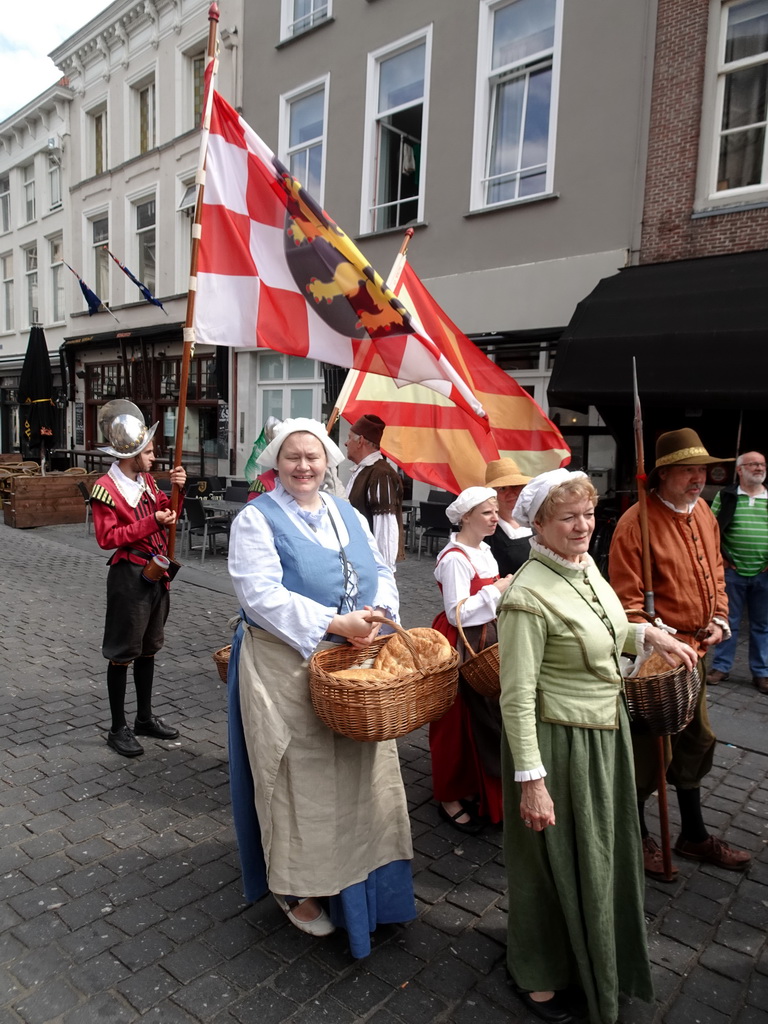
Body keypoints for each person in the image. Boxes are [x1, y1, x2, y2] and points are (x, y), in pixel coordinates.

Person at [498, 469, 697, 1024]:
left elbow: (606, 629)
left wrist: (649, 635)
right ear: (539, 524)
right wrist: (532, 782)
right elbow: (515, 699)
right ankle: (537, 970)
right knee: (550, 862)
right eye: (568, 517)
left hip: (606, 738)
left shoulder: (585, 567)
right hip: (557, 746)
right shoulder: (525, 597)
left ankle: (595, 952)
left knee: (600, 858)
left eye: (587, 514)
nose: (583, 525)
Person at [227, 417, 415, 957]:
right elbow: (259, 595)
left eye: (313, 457)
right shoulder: (255, 520)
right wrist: (335, 625)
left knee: (362, 774)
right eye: (293, 457)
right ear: (275, 464)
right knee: (298, 778)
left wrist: (380, 616)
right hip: (284, 668)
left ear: (328, 460)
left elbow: (381, 568)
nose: (304, 466)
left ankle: (365, 883)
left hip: (355, 667)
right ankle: (294, 885)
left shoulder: (345, 511)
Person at [609, 428, 751, 876]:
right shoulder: (636, 522)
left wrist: (721, 619)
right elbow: (626, 602)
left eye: (703, 470)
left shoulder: (704, 511)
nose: (699, 478)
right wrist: (659, 640)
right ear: (663, 475)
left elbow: (715, 571)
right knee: (651, 754)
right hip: (658, 662)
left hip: (697, 653)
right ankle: (634, 835)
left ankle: (693, 836)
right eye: (688, 470)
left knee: (697, 740)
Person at [90, 412, 186, 758]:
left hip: (156, 574)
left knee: (149, 648)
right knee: (122, 653)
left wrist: (179, 488)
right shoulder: (106, 488)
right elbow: (107, 538)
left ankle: (144, 718)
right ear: (132, 455)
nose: (153, 456)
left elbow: (166, 509)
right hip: (129, 577)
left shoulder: (146, 482)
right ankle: (118, 728)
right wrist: (151, 523)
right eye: (148, 451)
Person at [430, 486, 512, 832]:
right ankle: (449, 796)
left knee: (486, 719)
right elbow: (456, 613)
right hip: (460, 643)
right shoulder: (454, 559)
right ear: (466, 517)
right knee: (456, 721)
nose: (495, 518)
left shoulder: (485, 551)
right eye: (487, 513)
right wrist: (497, 590)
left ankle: (481, 787)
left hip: (486, 639)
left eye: (495, 512)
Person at [710, 451, 768, 693]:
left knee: (762, 625)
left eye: (762, 464)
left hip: (764, 572)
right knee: (727, 621)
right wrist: (721, 557)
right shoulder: (726, 495)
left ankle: (762, 673)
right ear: (740, 469)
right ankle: (721, 668)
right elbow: (711, 528)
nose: (758, 467)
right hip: (732, 570)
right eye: (753, 464)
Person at [344, 414, 404, 572]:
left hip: (369, 566)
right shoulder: (365, 470)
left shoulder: (380, 474)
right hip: (357, 560)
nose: (346, 443)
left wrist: (383, 572)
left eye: (349, 438)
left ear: (360, 441)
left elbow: (385, 528)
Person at [485, 458, 533, 575]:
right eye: (502, 488)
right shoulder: (487, 533)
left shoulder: (537, 522)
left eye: (515, 486)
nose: (511, 493)